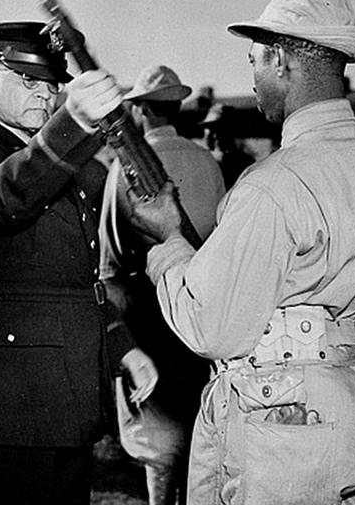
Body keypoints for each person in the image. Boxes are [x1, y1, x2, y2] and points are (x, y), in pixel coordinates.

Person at [126, 0, 355, 503]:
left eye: (253, 61)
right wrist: (332, 330)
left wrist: (170, 241)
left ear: (281, 60)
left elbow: (211, 327)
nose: (251, 78)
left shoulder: (272, 184)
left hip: (279, 426)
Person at [0, 21, 158, 505]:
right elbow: (2, 196)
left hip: (63, 387)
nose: (43, 94)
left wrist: (121, 345)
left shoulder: (66, 164)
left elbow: (75, 277)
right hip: (1, 392)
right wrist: (71, 123)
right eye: (27, 80)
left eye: (51, 84)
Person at [99, 64, 225, 504]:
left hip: (146, 302)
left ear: (141, 109)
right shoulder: (205, 160)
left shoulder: (127, 165)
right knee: (192, 414)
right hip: (199, 295)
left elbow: (111, 246)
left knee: (155, 421)